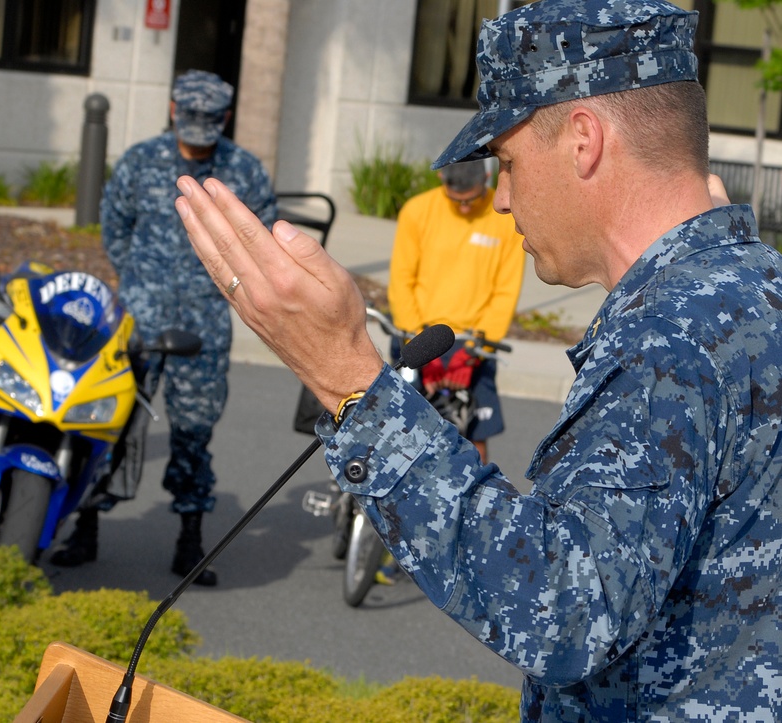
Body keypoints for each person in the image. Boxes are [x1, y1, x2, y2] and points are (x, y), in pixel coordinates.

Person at [172, 0, 782, 718]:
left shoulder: (670, 331)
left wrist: (346, 376)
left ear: (583, 140)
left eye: (508, 160)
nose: (500, 197)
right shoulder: (751, 285)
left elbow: (565, 608)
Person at [50, 70, 276, 586]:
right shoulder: (140, 160)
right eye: (190, 119)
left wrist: (228, 288)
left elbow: (259, 238)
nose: (197, 132)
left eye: (209, 123)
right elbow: (115, 224)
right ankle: (85, 530)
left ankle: (191, 542)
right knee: (109, 420)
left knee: (194, 430)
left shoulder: (242, 170)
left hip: (204, 320)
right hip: (140, 319)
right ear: (174, 110)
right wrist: (138, 279)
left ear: (223, 118)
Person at [388, 159, 525, 462]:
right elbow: (401, 281)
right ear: (441, 179)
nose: (465, 207)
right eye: (456, 200)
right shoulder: (417, 211)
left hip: (473, 343)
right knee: (403, 435)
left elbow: (505, 291)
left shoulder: (504, 217)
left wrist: (477, 349)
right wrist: (419, 348)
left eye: (473, 199)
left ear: (486, 179)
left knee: (474, 438)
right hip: (419, 338)